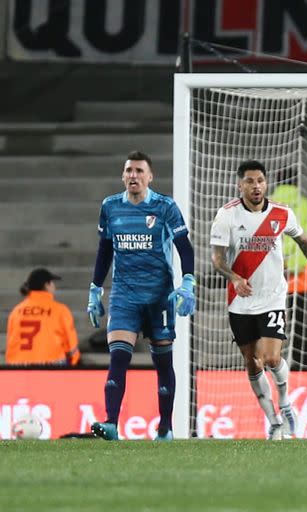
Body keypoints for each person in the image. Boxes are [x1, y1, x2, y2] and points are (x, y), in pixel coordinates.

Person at [210, 160, 307, 440]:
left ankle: (286, 402)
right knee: (252, 363)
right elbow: (217, 259)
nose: (256, 186)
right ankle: (274, 421)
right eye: (250, 181)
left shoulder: (281, 213)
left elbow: (306, 243)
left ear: (266, 183)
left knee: (271, 356)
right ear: (239, 185)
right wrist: (235, 278)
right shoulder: (226, 215)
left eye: (260, 181)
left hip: (274, 297)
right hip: (240, 300)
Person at [87, 150, 196, 441]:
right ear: (123, 176)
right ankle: (111, 423)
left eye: (138, 171)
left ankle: (165, 427)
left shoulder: (165, 207)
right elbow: (105, 249)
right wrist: (95, 288)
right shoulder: (110, 207)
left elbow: (184, 247)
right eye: (128, 171)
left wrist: (187, 282)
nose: (133, 176)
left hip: (159, 295)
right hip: (124, 294)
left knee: (162, 362)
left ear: (150, 176)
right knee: (118, 357)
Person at [271, 171, 307, 370]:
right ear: (298, 182)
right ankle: (302, 367)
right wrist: (293, 267)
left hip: (271, 275)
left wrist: (278, 266)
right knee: (299, 325)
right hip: (301, 278)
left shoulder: (267, 206)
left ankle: (267, 362)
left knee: (269, 321)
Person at [5, 268, 80, 367]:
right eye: (52, 282)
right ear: (47, 285)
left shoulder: (16, 311)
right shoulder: (60, 310)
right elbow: (71, 348)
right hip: (50, 365)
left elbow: (11, 342)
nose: (54, 286)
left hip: (18, 366)